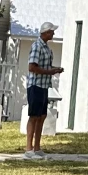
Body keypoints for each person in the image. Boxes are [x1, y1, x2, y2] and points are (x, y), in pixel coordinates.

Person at [25, 23, 63, 159]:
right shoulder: (37, 46)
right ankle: (28, 150)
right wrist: (49, 72)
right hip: (35, 85)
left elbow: (44, 66)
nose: (53, 34)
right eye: (52, 32)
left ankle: (37, 148)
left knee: (41, 116)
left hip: (44, 86)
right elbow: (32, 67)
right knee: (34, 116)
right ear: (46, 32)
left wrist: (54, 69)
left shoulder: (46, 48)